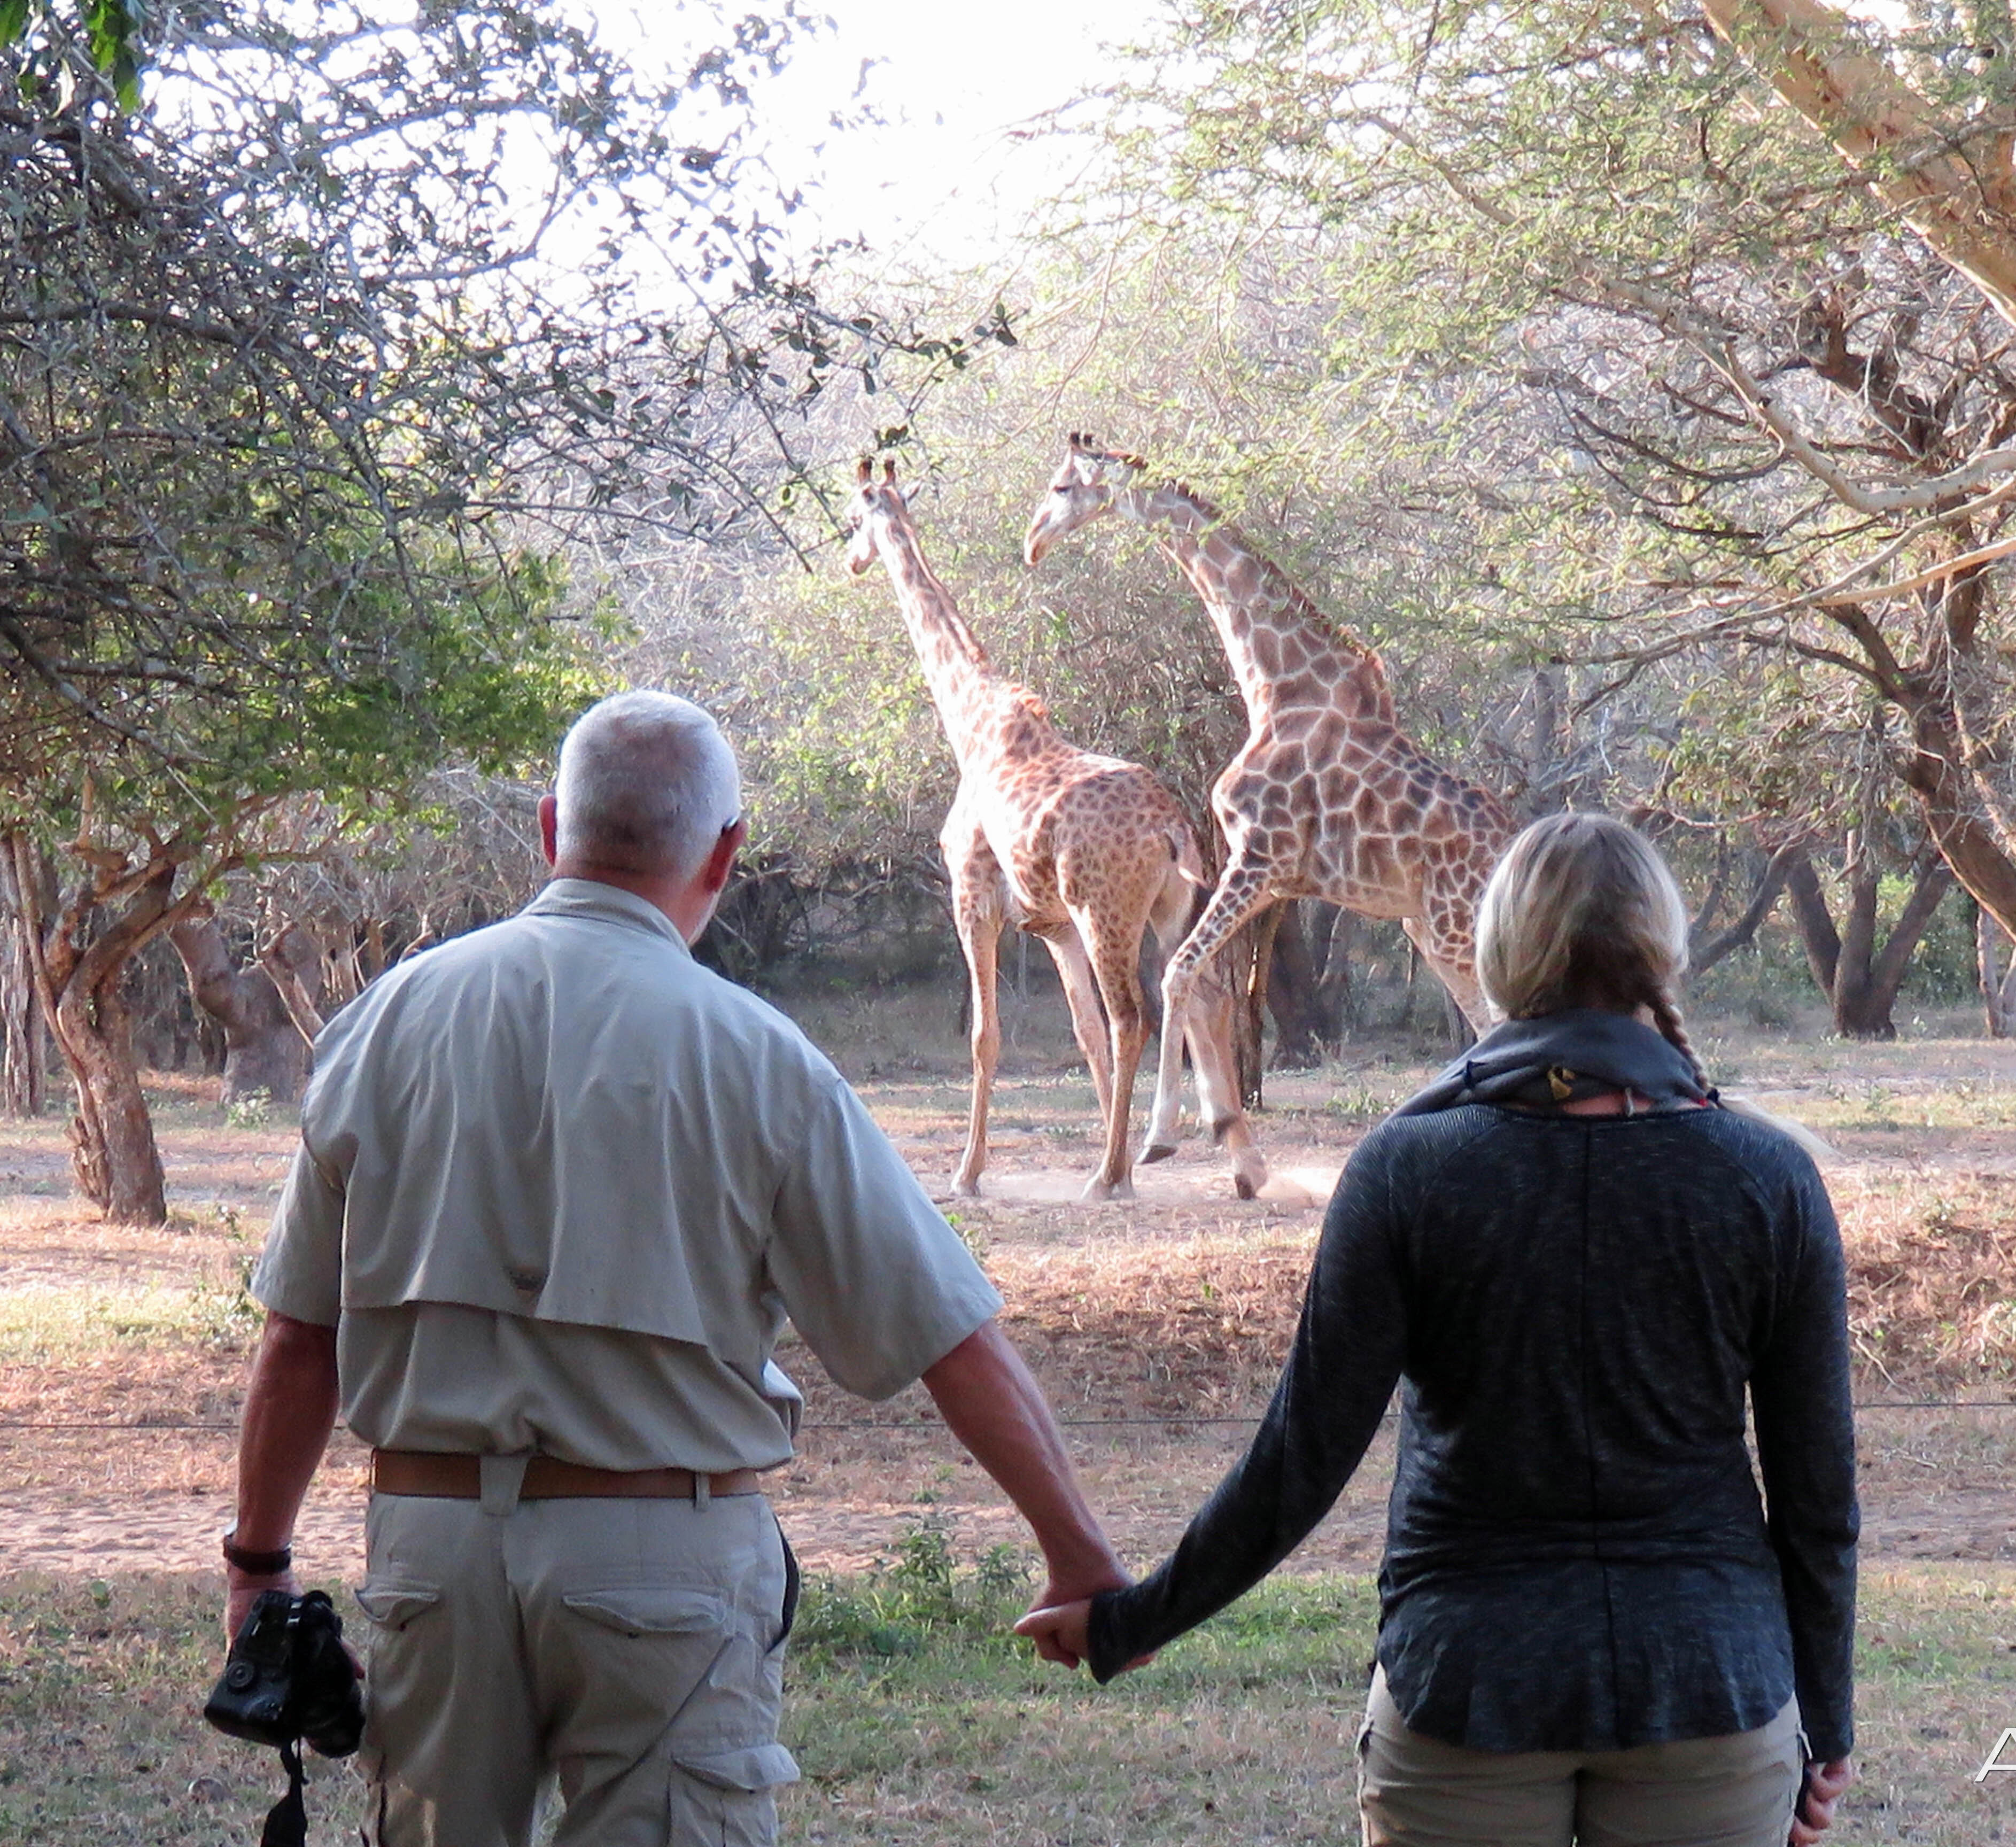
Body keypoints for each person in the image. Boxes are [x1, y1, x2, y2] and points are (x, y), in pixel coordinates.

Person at [223, 689, 1126, 1846]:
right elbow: (952, 1341)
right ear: (727, 853)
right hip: (662, 1557)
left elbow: (301, 1339)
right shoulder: (758, 1059)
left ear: (552, 830)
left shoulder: (386, 1022)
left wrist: (258, 1564)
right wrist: (1080, 1557)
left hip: (431, 1555)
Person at [1021, 812, 1859, 1847]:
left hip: (1463, 1690)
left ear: (1501, 953)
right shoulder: (1767, 1179)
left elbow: (1299, 1466)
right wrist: (1825, 1725)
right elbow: (1818, 1504)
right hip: (1714, 1694)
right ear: (1663, 955)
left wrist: (1130, 1622)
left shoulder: (1408, 1171)